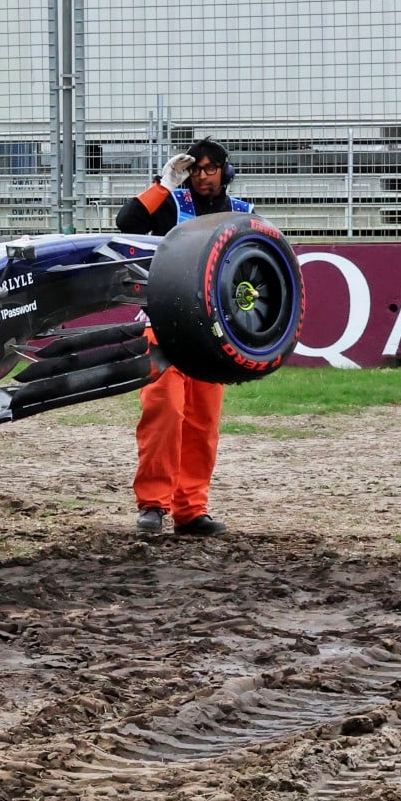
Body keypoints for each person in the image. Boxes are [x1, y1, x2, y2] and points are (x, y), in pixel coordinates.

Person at [117, 139, 253, 538]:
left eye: (210, 168)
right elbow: (127, 223)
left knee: (202, 421)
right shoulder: (172, 204)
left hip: (214, 333)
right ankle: (154, 505)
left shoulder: (244, 215)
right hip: (163, 323)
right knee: (164, 411)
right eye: (196, 168)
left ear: (225, 172)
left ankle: (191, 510)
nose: (203, 176)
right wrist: (163, 183)